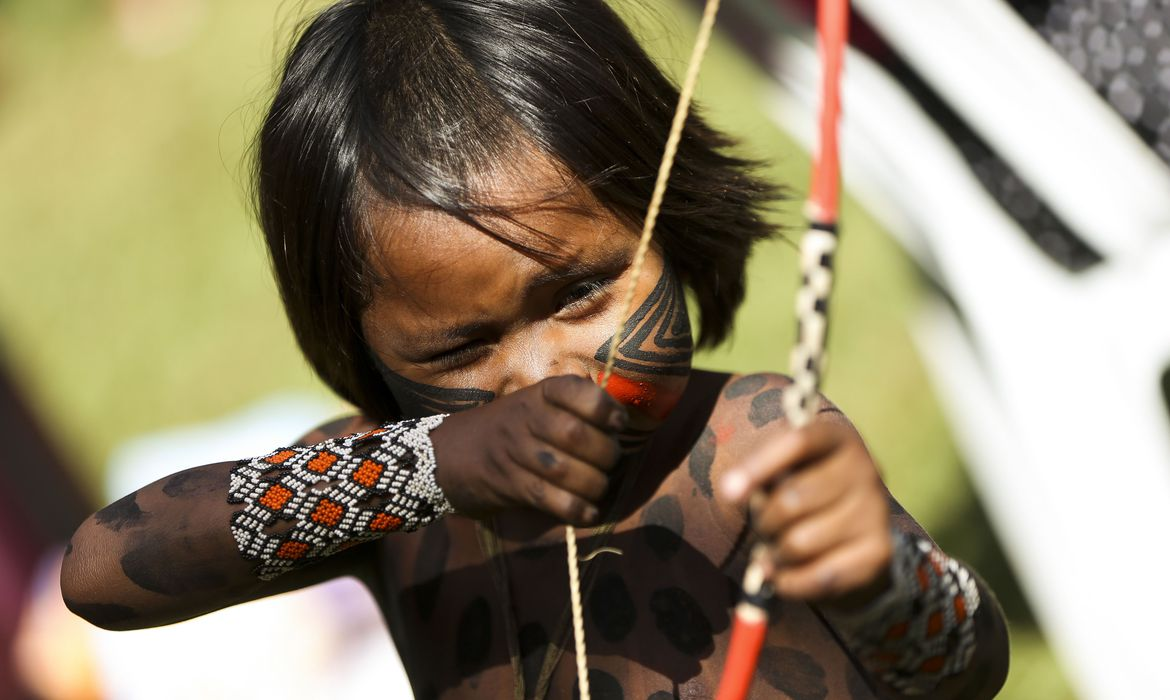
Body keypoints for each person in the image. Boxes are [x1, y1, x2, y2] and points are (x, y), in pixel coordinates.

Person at [60, 1, 1009, 697]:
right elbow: (102, 569)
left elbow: (964, 668)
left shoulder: (752, 440)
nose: (545, 374)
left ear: (665, 216)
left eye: (585, 291)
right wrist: (428, 469)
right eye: (462, 346)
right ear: (363, 344)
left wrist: (887, 580)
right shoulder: (397, 486)